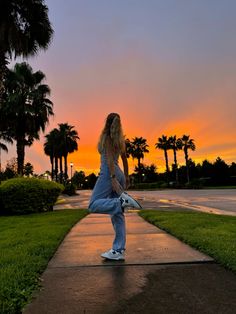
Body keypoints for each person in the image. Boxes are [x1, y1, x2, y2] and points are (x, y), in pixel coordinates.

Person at [88, 113, 142, 261]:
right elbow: (124, 159)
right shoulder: (119, 139)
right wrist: (126, 176)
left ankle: (121, 203)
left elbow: (110, 159)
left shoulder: (107, 137)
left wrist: (112, 178)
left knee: (93, 204)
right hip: (119, 174)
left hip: (108, 173)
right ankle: (118, 250)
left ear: (107, 122)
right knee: (117, 215)